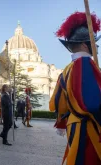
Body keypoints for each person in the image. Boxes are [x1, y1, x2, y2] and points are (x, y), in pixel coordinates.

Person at [49, 12, 101, 165]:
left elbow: (58, 102)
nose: (96, 47)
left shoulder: (67, 69)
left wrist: (61, 123)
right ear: (86, 44)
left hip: (75, 126)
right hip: (88, 130)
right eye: (94, 43)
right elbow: (92, 103)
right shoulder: (85, 63)